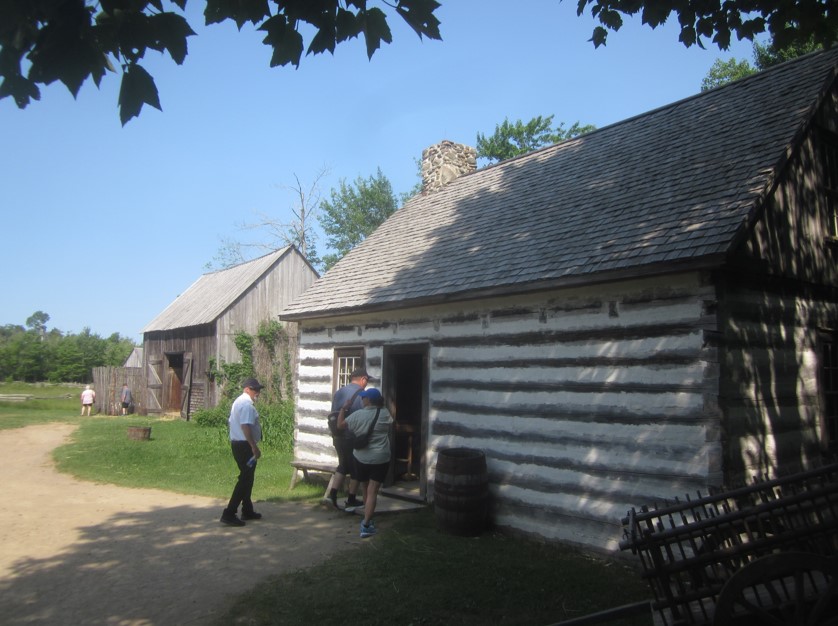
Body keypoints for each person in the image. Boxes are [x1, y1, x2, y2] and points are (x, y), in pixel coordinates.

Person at [339, 387, 392, 538]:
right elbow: (390, 423)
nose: (362, 399)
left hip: (361, 458)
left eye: (364, 397)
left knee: (365, 487)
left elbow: (340, 425)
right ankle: (367, 524)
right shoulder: (385, 413)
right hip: (380, 458)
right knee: (373, 491)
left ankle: (367, 520)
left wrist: (344, 408)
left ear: (368, 400)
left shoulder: (358, 415)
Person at [324, 367, 376, 511]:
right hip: (351, 436)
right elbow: (363, 416)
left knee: (343, 465)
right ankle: (351, 499)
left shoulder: (339, 392)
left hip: (337, 436)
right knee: (356, 468)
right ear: (363, 379)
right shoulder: (361, 395)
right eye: (366, 380)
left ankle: (332, 495)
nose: (366, 383)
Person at [220, 377, 264, 527]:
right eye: (255, 389)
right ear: (247, 389)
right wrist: (254, 446)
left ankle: (247, 509)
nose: (258, 392)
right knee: (245, 478)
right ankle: (229, 512)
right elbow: (245, 426)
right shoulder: (246, 404)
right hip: (244, 445)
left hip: (238, 444)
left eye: (258, 389)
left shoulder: (239, 402)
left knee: (248, 477)